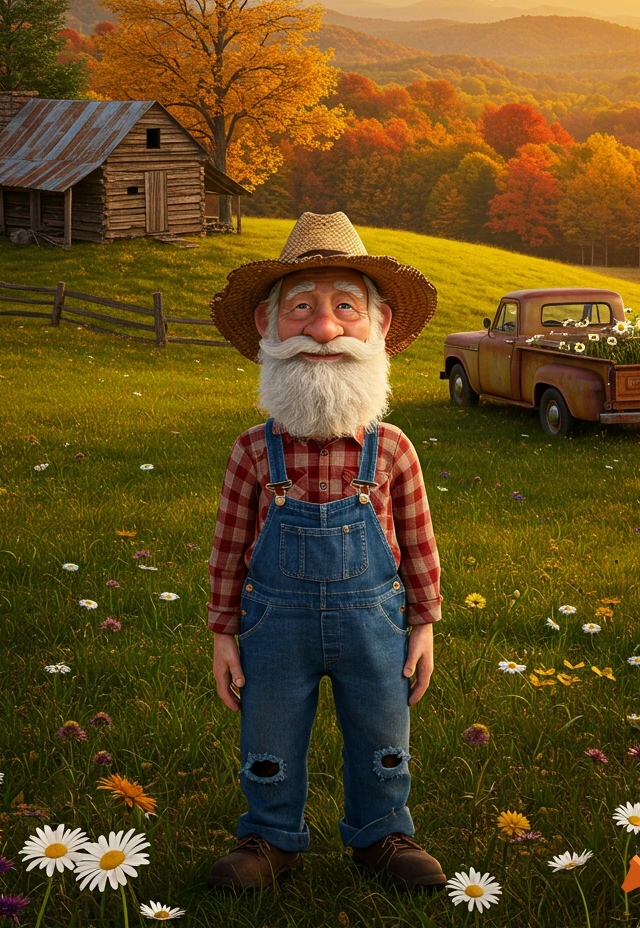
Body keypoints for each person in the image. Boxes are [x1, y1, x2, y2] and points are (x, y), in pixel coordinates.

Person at [205, 211, 444, 892]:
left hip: (376, 625)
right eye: (302, 309)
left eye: (346, 308)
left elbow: (420, 540)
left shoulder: (393, 448)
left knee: (382, 736)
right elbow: (227, 548)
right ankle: (270, 837)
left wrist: (422, 622)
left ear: (381, 326)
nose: (324, 329)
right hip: (273, 628)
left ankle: (383, 834)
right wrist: (224, 633)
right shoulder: (253, 450)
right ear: (265, 325)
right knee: (269, 737)